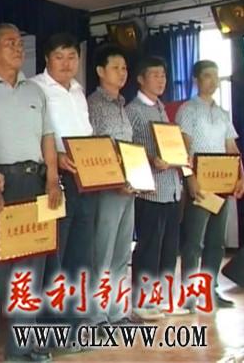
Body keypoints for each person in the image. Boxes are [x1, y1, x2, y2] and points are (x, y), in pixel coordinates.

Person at [0, 23, 62, 362]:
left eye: (20, 43)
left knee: (31, 270)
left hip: (35, 182)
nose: (18, 48)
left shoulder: (35, 91)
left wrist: (52, 179)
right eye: (10, 43)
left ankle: (22, 348)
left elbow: (47, 137)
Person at [31, 33, 96, 342]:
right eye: (59, 57)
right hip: (53, 177)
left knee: (80, 252)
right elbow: (34, 134)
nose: (66, 63)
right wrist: (55, 158)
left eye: (72, 57)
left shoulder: (79, 91)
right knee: (54, 253)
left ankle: (73, 324)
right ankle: (50, 327)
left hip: (85, 178)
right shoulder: (35, 88)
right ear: (47, 59)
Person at [176, 59, 244, 309]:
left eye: (216, 76)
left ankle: (210, 290)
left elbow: (232, 148)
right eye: (207, 76)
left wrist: (241, 176)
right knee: (195, 241)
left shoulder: (223, 113)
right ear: (196, 80)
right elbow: (182, 149)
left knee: (216, 242)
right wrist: (190, 178)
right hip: (201, 185)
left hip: (222, 185)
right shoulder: (188, 110)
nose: (213, 81)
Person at [125, 56, 186, 320]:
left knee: (169, 249)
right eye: (155, 75)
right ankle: (143, 300)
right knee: (149, 247)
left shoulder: (162, 108)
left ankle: (163, 299)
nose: (161, 80)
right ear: (141, 78)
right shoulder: (133, 110)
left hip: (171, 188)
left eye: (163, 75)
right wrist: (152, 160)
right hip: (150, 191)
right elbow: (129, 150)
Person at [87, 44, 137, 326]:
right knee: (102, 253)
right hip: (107, 189)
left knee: (121, 252)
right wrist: (115, 179)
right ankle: (96, 315)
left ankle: (117, 311)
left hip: (129, 188)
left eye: (125, 68)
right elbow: (94, 151)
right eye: (116, 67)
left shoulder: (122, 105)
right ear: (100, 71)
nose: (122, 73)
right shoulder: (93, 105)